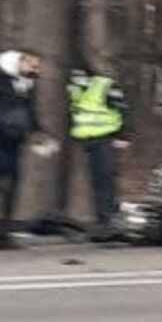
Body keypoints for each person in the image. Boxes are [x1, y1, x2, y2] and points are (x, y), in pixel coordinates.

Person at [0, 49, 44, 249]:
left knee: (9, 178)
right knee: (1, 175)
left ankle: (4, 220)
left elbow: (30, 112)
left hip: (16, 138)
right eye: (32, 65)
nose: (35, 70)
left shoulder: (27, 85)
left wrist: (39, 131)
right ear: (19, 62)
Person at [68, 61, 129, 242]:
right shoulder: (75, 89)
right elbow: (76, 113)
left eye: (80, 76)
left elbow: (121, 110)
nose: (77, 80)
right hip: (89, 141)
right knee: (98, 181)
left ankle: (109, 219)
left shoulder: (104, 86)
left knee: (106, 178)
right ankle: (103, 219)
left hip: (106, 138)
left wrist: (123, 136)